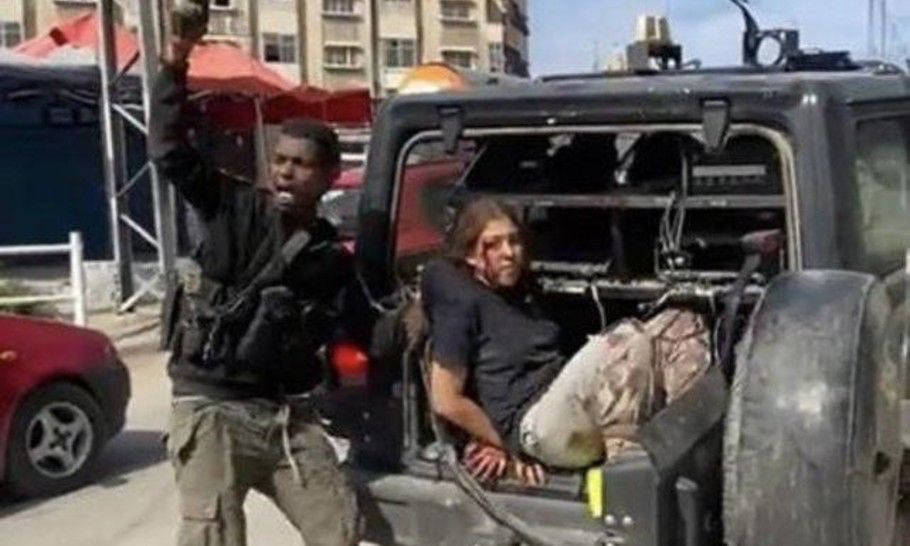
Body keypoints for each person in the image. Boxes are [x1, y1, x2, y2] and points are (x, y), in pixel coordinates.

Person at [149, 14, 359, 546]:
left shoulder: (329, 255)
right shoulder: (233, 207)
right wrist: (176, 60)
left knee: (339, 527)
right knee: (213, 536)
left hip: (284, 415)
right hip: (212, 408)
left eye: (302, 164)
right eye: (281, 160)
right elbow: (168, 151)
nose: (285, 171)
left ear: (330, 176)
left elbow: (358, 328)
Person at [423, 198, 710, 485]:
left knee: (681, 323)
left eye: (514, 241)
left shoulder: (523, 293)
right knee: (626, 340)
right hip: (537, 425)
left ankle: (686, 452)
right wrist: (504, 444)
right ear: (470, 255)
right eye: (492, 245)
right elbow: (446, 400)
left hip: (566, 404)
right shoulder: (459, 299)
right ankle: (625, 469)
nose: (508, 253)